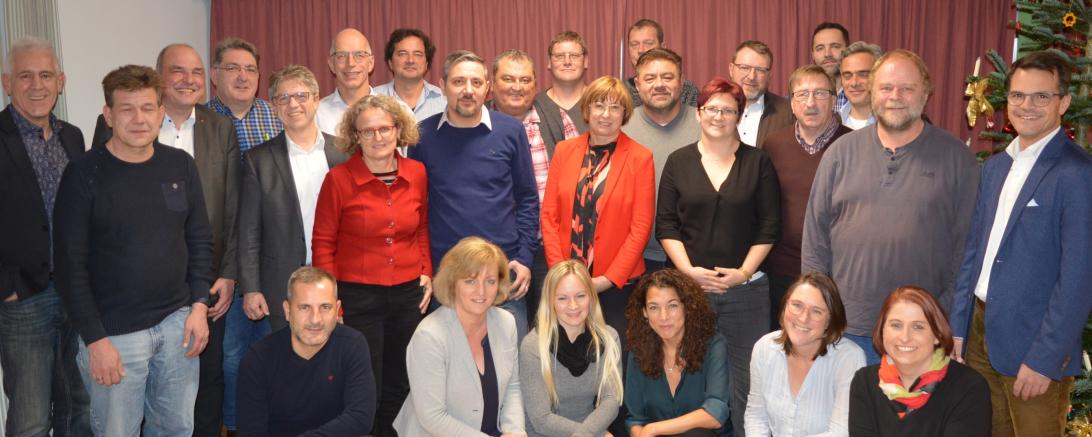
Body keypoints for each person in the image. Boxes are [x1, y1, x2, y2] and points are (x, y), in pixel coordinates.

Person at [89, 43, 241, 436]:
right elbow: (97, 215)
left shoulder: (220, 127)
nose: (188, 80)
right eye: (177, 71)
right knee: (129, 412)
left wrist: (225, 274)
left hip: (201, 287)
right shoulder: (114, 131)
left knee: (202, 386)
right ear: (159, 78)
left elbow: (230, 207)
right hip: (130, 300)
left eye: (195, 72)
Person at [54, 64, 213, 436]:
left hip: (178, 327)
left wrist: (199, 307)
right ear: (108, 115)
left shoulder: (180, 166)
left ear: (161, 112)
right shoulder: (83, 174)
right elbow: (69, 266)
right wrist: (95, 340)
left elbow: (200, 241)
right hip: (115, 337)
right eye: (127, 109)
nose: (139, 119)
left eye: (147, 108)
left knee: (176, 429)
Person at [801, 49, 979, 365]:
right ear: (872, 93)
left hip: (919, 333)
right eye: (885, 88)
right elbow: (815, 240)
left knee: (910, 415)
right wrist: (818, 309)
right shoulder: (840, 153)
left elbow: (965, 253)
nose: (895, 97)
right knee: (847, 416)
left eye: (907, 88)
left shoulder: (957, 160)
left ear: (925, 94)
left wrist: (945, 321)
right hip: (846, 329)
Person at [951, 50, 1092, 437]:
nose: (1026, 106)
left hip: (1034, 346)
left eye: (1041, 96)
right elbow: (975, 253)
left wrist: (1045, 359)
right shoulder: (996, 167)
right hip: (980, 336)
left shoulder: (1078, 175)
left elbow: (1079, 279)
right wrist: (958, 328)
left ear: (1063, 102)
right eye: (1017, 96)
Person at [656, 77, 780, 437]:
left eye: (729, 110)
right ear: (698, 113)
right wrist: (689, 272)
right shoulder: (678, 162)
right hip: (689, 292)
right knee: (691, 381)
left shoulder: (758, 163)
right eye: (712, 108)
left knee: (745, 385)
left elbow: (770, 226)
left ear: (739, 116)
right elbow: (665, 225)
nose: (720, 116)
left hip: (747, 293)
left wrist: (742, 272)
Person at [312, 94, 431, 436]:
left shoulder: (417, 173)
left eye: (385, 129)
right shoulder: (338, 179)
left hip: (408, 294)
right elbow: (323, 243)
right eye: (368, 132)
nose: (378, 138)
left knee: (402, 379)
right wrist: (330, 300)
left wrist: (426, 271)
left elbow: (422, 227)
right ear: (355, 136)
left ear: (398, 130)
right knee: (366, 384)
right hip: (357, 296)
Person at [408, 50, 539, 340]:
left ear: (487, 88)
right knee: (450, 370)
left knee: (509, 371)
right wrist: (424, 267)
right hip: (446, 278)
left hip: (504, 274)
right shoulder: (422, 136)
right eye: (459, 82)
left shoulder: (511, 131)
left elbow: (528, 199)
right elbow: (416, 209)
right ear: (442, 85)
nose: (468, 91)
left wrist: (526, 257)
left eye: (476, 83)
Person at [0, 36, 90, 437]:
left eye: (46, 75)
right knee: (32, 418)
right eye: (25, 76)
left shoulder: (73, 137)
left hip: (76, 295)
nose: (37, 85)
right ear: (7, 83)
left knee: (79, 404)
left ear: (61, 81)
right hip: (24, 300)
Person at [540, 75, 654, 352]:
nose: (606, 114)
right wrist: (560, 272)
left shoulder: (640, 157)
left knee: (616, 357)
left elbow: (640, 227)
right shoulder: (565, 151)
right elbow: (549, 216)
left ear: (625, 114)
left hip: (617, 285)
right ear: (587, 110)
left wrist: (607, 280)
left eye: (615, 108)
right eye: (599, 106)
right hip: (566, 286)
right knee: (566, 354)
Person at [238, 64, 348, 333]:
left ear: (315, 99)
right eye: (283, 98)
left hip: (339, 278)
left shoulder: (345, 152)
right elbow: (249, 231)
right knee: (288, 367)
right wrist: (251, 288)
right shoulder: (258, 160)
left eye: (301, 95)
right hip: (282, 283)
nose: (293, 104)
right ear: (274, 106)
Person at [393, 237, 526, 436]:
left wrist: (515, 431)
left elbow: (513, 387)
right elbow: (432, 417)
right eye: (470, 281)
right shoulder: (430, 336)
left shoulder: (506, 323)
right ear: (452, 283)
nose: (481, 291)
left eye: (490, 281)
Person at [761, 65, 852, 331]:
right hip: (782, 271)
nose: (810, 103)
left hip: (836, 273)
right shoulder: (773, 145)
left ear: (834, 101)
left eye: (820, 94)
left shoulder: (854, 145)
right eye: (802, 95)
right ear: (791, 103)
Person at [236, 267, 376, 437]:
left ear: (337, 308)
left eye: (325, 307)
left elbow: (361, 417)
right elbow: (251, 431)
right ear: (287, 311)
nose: (315, 319)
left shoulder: (353, 345)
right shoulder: (258, 359)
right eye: (304, 308)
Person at [848, 287, 990, 436]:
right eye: (896, 325)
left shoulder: (968, 387)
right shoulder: (865, 382)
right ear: (882, 330)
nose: (905, 337)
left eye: (918, 327)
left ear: (937, 334)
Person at [744, 273, 865, 437]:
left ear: (830, 320)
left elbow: (841, 432)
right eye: (797, 305)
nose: (803, 317)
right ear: (785, 306)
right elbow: (756, 416)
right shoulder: (764, 348)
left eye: (816, 311)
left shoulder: (849, 358)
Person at [520, 260, 623, 437]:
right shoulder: (533, 345)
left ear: (591, 297)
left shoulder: (609, 337)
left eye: (580, 296)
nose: (573, 306)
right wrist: (595, 435)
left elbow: (610, 400)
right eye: (562, 298)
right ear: (550, 301)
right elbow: (541, 419)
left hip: (588, 429)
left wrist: (591, 433)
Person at [620, 48, 701, 272]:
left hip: (695, 255)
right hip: (635, 256)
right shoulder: (621, 128)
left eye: (667, 77)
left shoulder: (706, 124)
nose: (659, 85)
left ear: (682, 81)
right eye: (650, 78)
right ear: (637, 84)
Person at [624, 269, 729, 437]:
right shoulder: (638, 350)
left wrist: (654, 429)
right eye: (654, 308)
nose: (663, 317)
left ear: (686, 307)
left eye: (672, 306)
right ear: (645, 312)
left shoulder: (713, 345)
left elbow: (716, 412)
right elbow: (635, 419)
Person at [207, 37, 283, 153]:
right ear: (214, 75)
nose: (243, 77)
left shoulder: (279, 115)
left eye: (250, 69)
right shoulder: (198, 120)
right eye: (232, 68)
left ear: (258, 76)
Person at [728, 40, 794, 150]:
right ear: (731, 69)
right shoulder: (712, 110)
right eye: (745, 68)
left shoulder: (789, 112)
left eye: (760, 70)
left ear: (769, 75)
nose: (752, 76)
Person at [374, 28, 446, 121]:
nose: (410, 60)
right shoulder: (373, 100)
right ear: (390, 63)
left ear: (426, 64)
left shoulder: (445, 101)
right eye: (402, 54)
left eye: (417, 54)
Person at [623, 19, 699, 107]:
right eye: (634, 44)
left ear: (662, 48)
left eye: (648, 43)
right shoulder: (620, 93)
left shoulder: (687, 91)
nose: (640, 50)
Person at [534, 31, 589, 149]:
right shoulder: (534, 106)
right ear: (549, 62)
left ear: (585, 61)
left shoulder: (601, 103)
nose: (567, 62)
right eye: (559, 56)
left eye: (574, 56)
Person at [317, 28, 375, 135]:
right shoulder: (316, 115)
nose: (351, 63)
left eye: (359, 55)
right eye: (342, 56)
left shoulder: (398, 111)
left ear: (371, 63)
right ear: (331, 64)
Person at [837, 42, 881, 129]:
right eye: (847, 75)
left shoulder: (891, 122)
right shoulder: (832, 123)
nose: (854, 83)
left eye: (863, 74)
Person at [810, 22, 850, 110]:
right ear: (813, 55)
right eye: (820, 48)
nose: (827, 54)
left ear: (848, 50)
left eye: (835, 46)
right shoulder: (800, 99)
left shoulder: (863, 95)